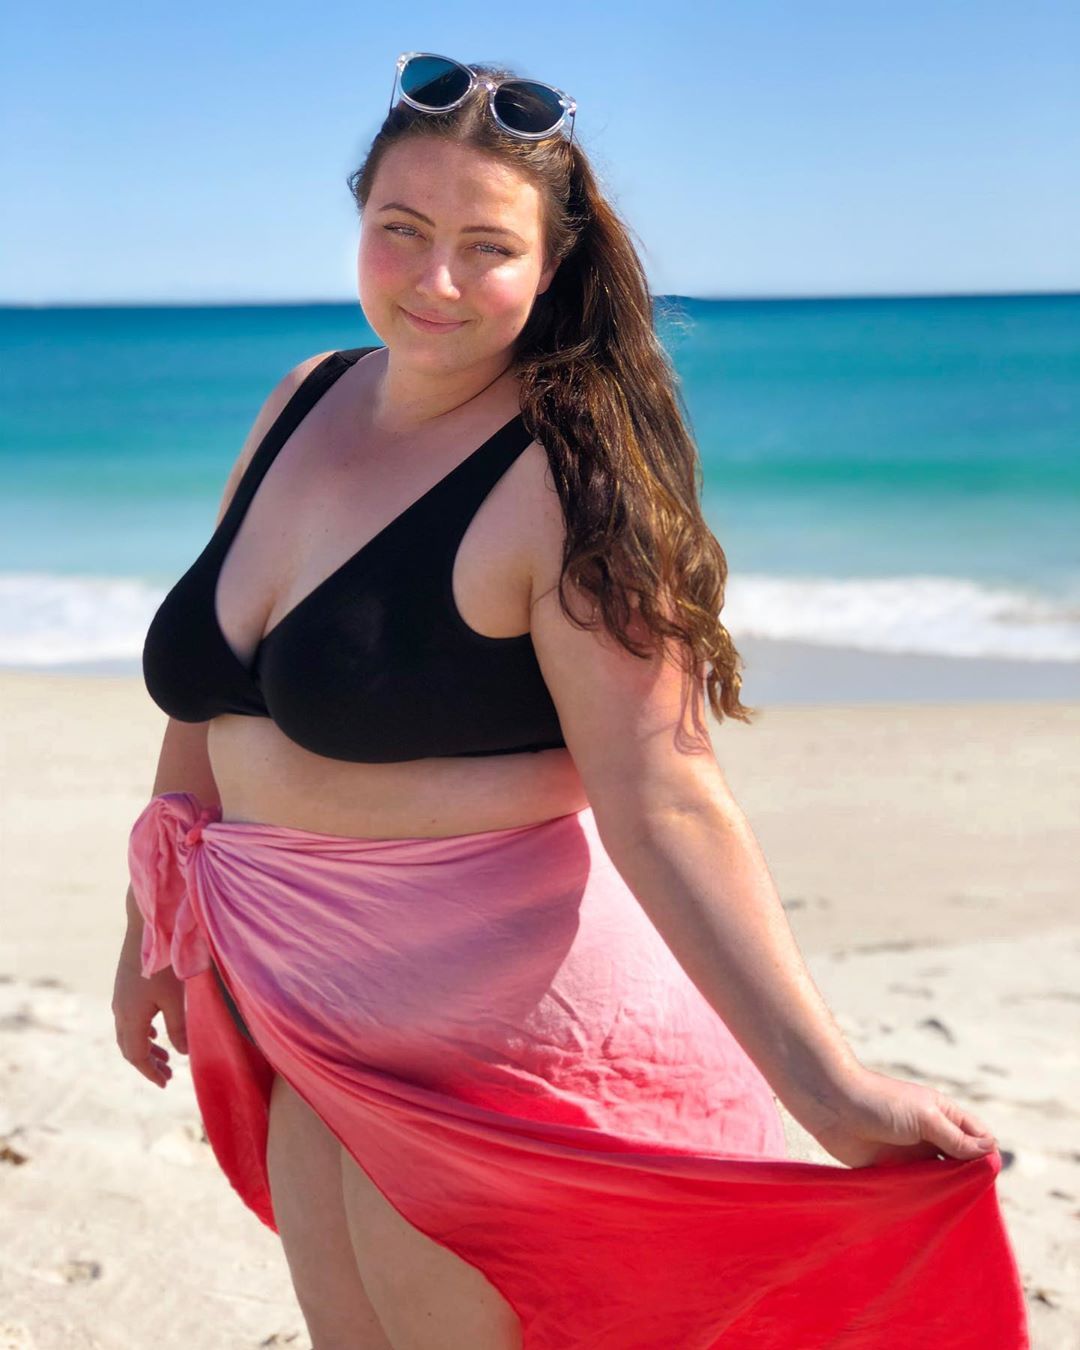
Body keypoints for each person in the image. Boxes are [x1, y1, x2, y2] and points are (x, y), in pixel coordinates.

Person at [112, 52, 1028, 1350]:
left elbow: (668, 792)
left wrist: (826, 1083)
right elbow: (208, 701)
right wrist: (152, 938)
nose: (434, 279)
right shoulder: (301, 400)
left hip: (504, 1073)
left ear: (550, 265)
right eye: (402, 229)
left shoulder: (568, 479)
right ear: (358, 217)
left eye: (487, 246)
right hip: (313, 1036)